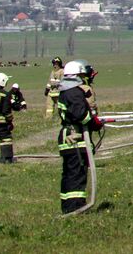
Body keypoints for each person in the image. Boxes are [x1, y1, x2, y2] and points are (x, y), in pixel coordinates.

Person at [55, 60, 103, 214]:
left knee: (69, 174)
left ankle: (67, 207)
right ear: (77, 75)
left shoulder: (65, 91)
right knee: (77, 174)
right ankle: (76, 208)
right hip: (76, 138)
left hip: (68, 137)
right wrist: (94, 123)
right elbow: (81, 115)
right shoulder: (74, 92)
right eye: (82, 75)